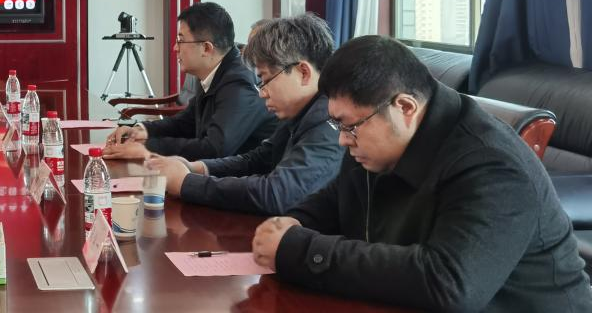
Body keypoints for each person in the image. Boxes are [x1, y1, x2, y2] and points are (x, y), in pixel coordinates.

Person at [251, 35, 592, 310]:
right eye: (338, 124)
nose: (342, 139)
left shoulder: (493, 165)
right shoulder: (373, 138)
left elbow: (449, 282)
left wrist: (302, 250)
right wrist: (294, 222)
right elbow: (339, 197)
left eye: (349, 126)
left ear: (405, 107)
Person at [146, 14, 343, 216]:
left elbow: (275, 194)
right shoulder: (301, 110)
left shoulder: (331, 123)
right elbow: (258, 159)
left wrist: (186, 183)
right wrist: (197, 168)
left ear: (303, 73)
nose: (261, 93)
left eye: (265, 79)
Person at [105, 2, 276, 161]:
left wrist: (148, 148)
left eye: (180, 40)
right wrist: (142, 130)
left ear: (206, 48)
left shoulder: (239, 83)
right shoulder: (214, 71)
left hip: (245, 179)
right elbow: (186, 122)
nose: (175, 48)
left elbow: (214, 149)